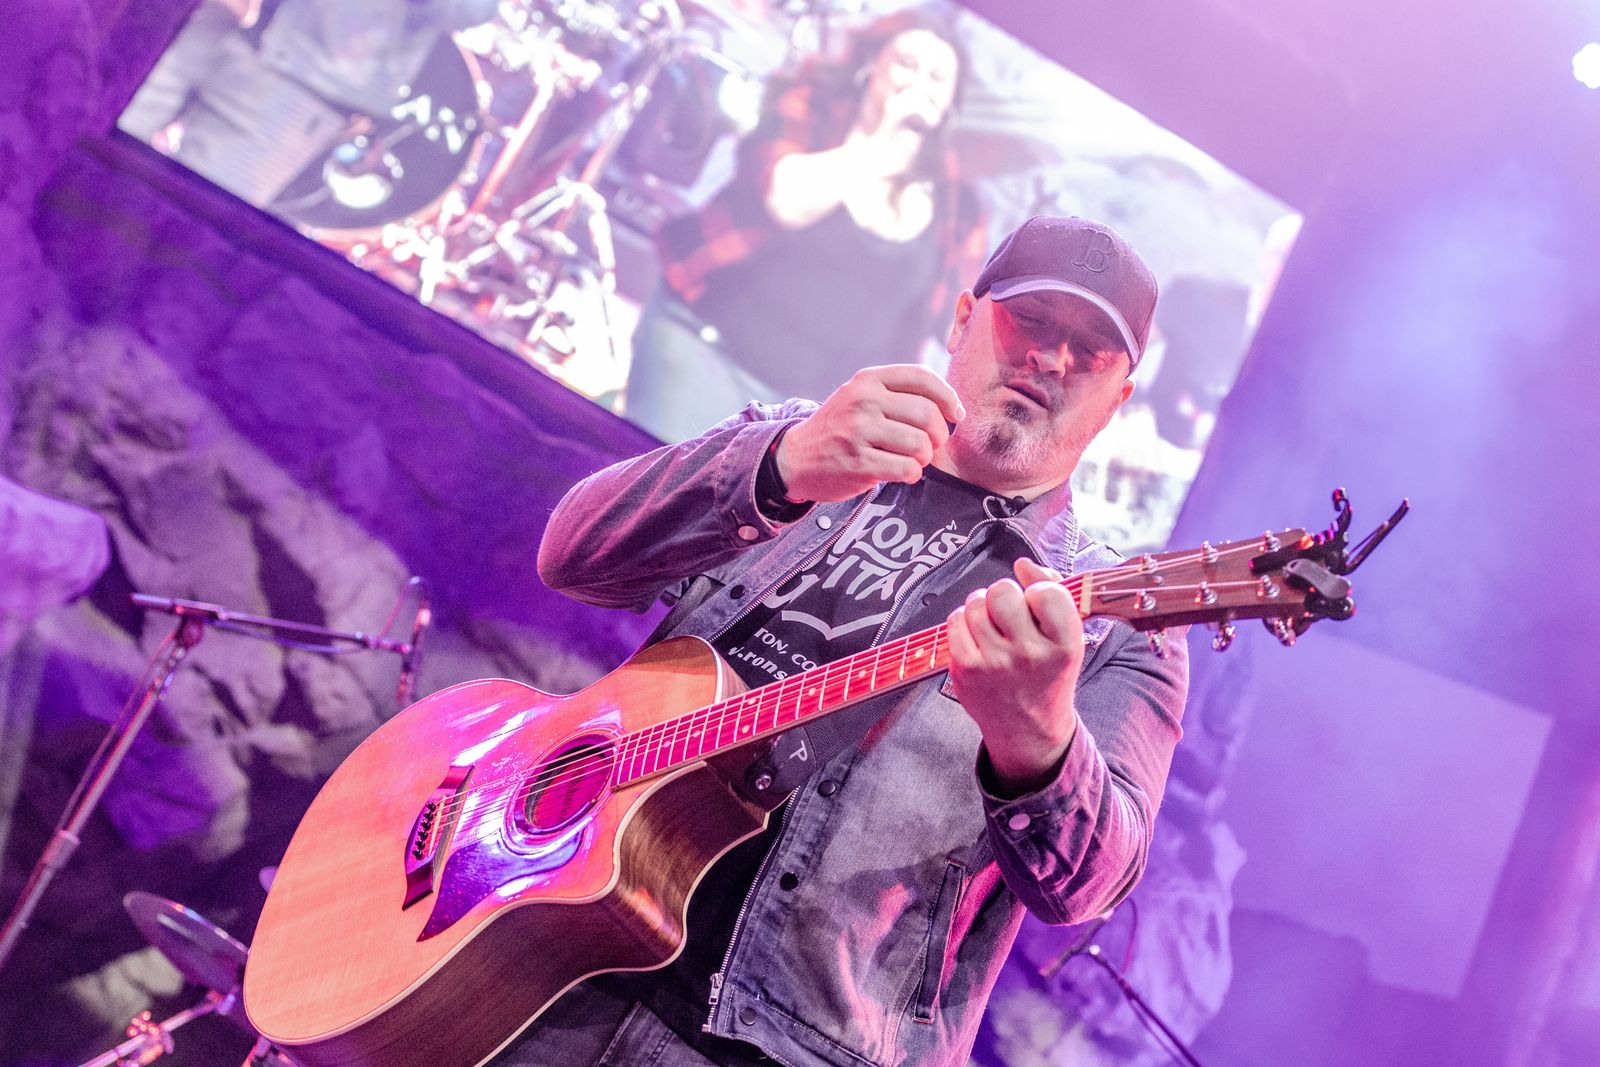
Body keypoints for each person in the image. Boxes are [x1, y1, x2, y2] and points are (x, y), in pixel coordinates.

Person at [494, 216, 1188, 1067]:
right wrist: (779, 465)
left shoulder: (1117, 620)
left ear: (1119, 399)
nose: (1051, 357)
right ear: (962, 319)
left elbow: (1087, 886)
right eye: (1032, 319)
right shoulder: (810, 439)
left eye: (1092, 350)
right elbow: (575, 554)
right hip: (558, 961)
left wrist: (1038, 738)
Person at [624, 6, 989, 443]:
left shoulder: (957, 204)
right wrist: (883, 139)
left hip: (808, 418)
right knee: (664, 478)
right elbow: (786, 204)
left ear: (950, 103)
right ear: (871, 67)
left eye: (936, 78)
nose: (919, 84)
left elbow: (954, 324)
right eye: (906, 65)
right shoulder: (809, 111)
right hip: (704, 348)